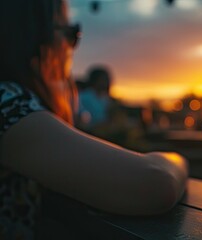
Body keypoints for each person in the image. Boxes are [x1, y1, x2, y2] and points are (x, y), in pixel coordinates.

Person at [0, 0, 188, 239]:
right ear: (28, 36)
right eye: (71, 33)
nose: (70, 50)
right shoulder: (8, 103)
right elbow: (155, 183)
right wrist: (177, 160)